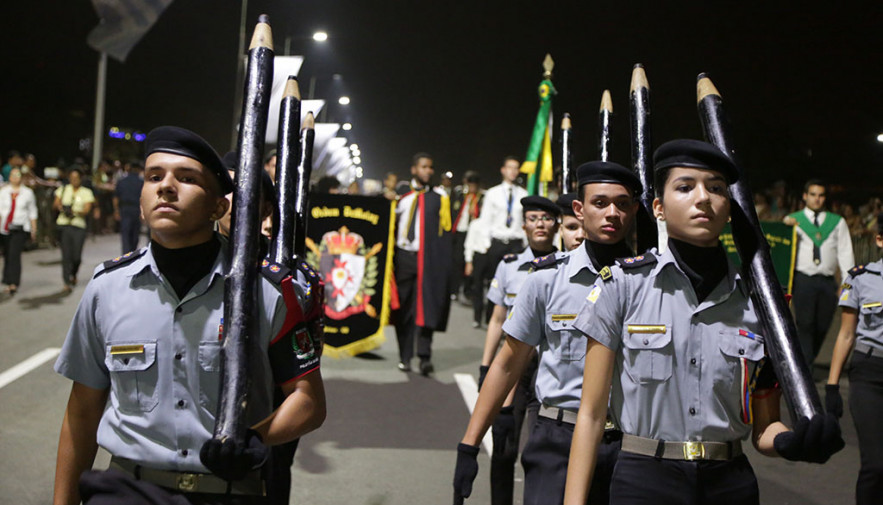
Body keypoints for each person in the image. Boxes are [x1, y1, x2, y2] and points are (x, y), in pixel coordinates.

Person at [52, 126, 326, 505]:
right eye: (154, 176)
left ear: (218, 206)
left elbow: (308, 400)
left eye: (186, 178)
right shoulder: (107, 289)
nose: (166, 186)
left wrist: (256, 438)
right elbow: (82, 412)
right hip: (127, 490)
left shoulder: (266, 292)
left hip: (226, 492)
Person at [564, 140, 844, 505]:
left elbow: (764, 428)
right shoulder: (622, 287)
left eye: (715, 188)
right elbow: (590, 413)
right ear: (659, 207)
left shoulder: (761, 305)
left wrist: (792, 442)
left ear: (729, 208)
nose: (703, 198)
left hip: (730, 483)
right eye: (685, 187)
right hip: (645, 479)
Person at [454, 161, 641, 505]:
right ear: (579, 210)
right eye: (600, 203)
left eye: (623, 203)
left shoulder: (653, 285)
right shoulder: (547, 279)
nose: (612, 213)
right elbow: (507, 364)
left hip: (631, 448)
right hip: (558, 439)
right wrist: (469, 442)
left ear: (636, 210)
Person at [480, 196, 560, 505]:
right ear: (524, 225)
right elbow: (497, 319)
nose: (540, 224)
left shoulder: (568, 266)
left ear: (556, 225)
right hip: (513, 369)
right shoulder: (510, 265)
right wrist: (486, 368)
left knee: (539, 450)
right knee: (504, 447)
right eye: (534, 218)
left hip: (549, 368)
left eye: (547, 218)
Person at [826, 213, 883, 505]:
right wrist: (832, 386)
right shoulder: (862, 278)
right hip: (870, 373)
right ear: (880, 240)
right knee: (876, 464)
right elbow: (847, 334)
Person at [783, 179, 854, 370]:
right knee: (805, 325)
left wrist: (847, 286)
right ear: (805, 196)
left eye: (821, 195)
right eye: (813, 194)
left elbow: (846, 254)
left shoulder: (837, 222)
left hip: (828, 282)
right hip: (803, 280)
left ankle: (806, 360)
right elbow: (783, 252)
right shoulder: (792, 220)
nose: (817, 199)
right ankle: (805, 369)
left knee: (823, 326)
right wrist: (786, 228)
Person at [392, 152, 453, 375]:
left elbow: (445, 233)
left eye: (431, 167)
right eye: (424, 167)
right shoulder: (401, 195)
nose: (429, 171)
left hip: (427, 258)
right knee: (404, 310)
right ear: (414, 169)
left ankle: (425, 356)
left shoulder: (439, 198)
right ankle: (405, 356)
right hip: (404, 258)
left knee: (426, 306)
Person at [475, 156, 528, 322]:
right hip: (497, 242)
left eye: (516, 168)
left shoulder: (524, 194)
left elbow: (525, 221)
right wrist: (486, 244)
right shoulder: (493, 193)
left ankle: (511, 320)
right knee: (494, 282)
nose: (513, 171)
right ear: (503, 170)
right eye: (510, 167)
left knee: (515, 283)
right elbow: (485, 220)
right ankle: (491, 318)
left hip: (515, 243)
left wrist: (526, 245)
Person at [53, 165, 95, 291]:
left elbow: (87, 209)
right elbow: (55, 203)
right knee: (66, 254)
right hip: (65, 225)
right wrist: (62, 208)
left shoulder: (86, 192)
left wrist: (75, 211)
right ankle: (66, 281)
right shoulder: (64, 189)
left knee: (76, 256)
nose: (74, 180)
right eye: (72, 178)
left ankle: (74, 273)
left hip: (78, 225)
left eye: (76, 178)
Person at [0, 167, 38, 294]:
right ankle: (7, 278)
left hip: (20, 227)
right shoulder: (3, 192)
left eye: (18, 175)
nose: (15, 177)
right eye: (13, 175)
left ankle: (13, 282)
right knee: (7, 254)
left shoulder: (27, 193)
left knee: (14, 254)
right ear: (9, 177)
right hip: (5, 228)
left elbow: (32, 212)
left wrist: (34, 229)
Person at [451, 171, 484, 303]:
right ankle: (454, 290)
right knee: (457, 261)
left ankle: (467, 290)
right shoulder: (460, 195)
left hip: (472, 234)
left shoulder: (481, 199)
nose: (471, 188)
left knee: (469, 263)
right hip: (459, 232)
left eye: (473, 186)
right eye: (469, 185)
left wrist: (477, 212)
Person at [113, 160, 144, 253]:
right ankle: (132, 252)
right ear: (138, 170)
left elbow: (115, 197)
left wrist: (116, 211)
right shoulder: (142, 183)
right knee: (135, 234)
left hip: (125, 209)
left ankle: (126, 254)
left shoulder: (121, 181)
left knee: (125, 234)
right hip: (136, 209)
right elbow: (144, 199)